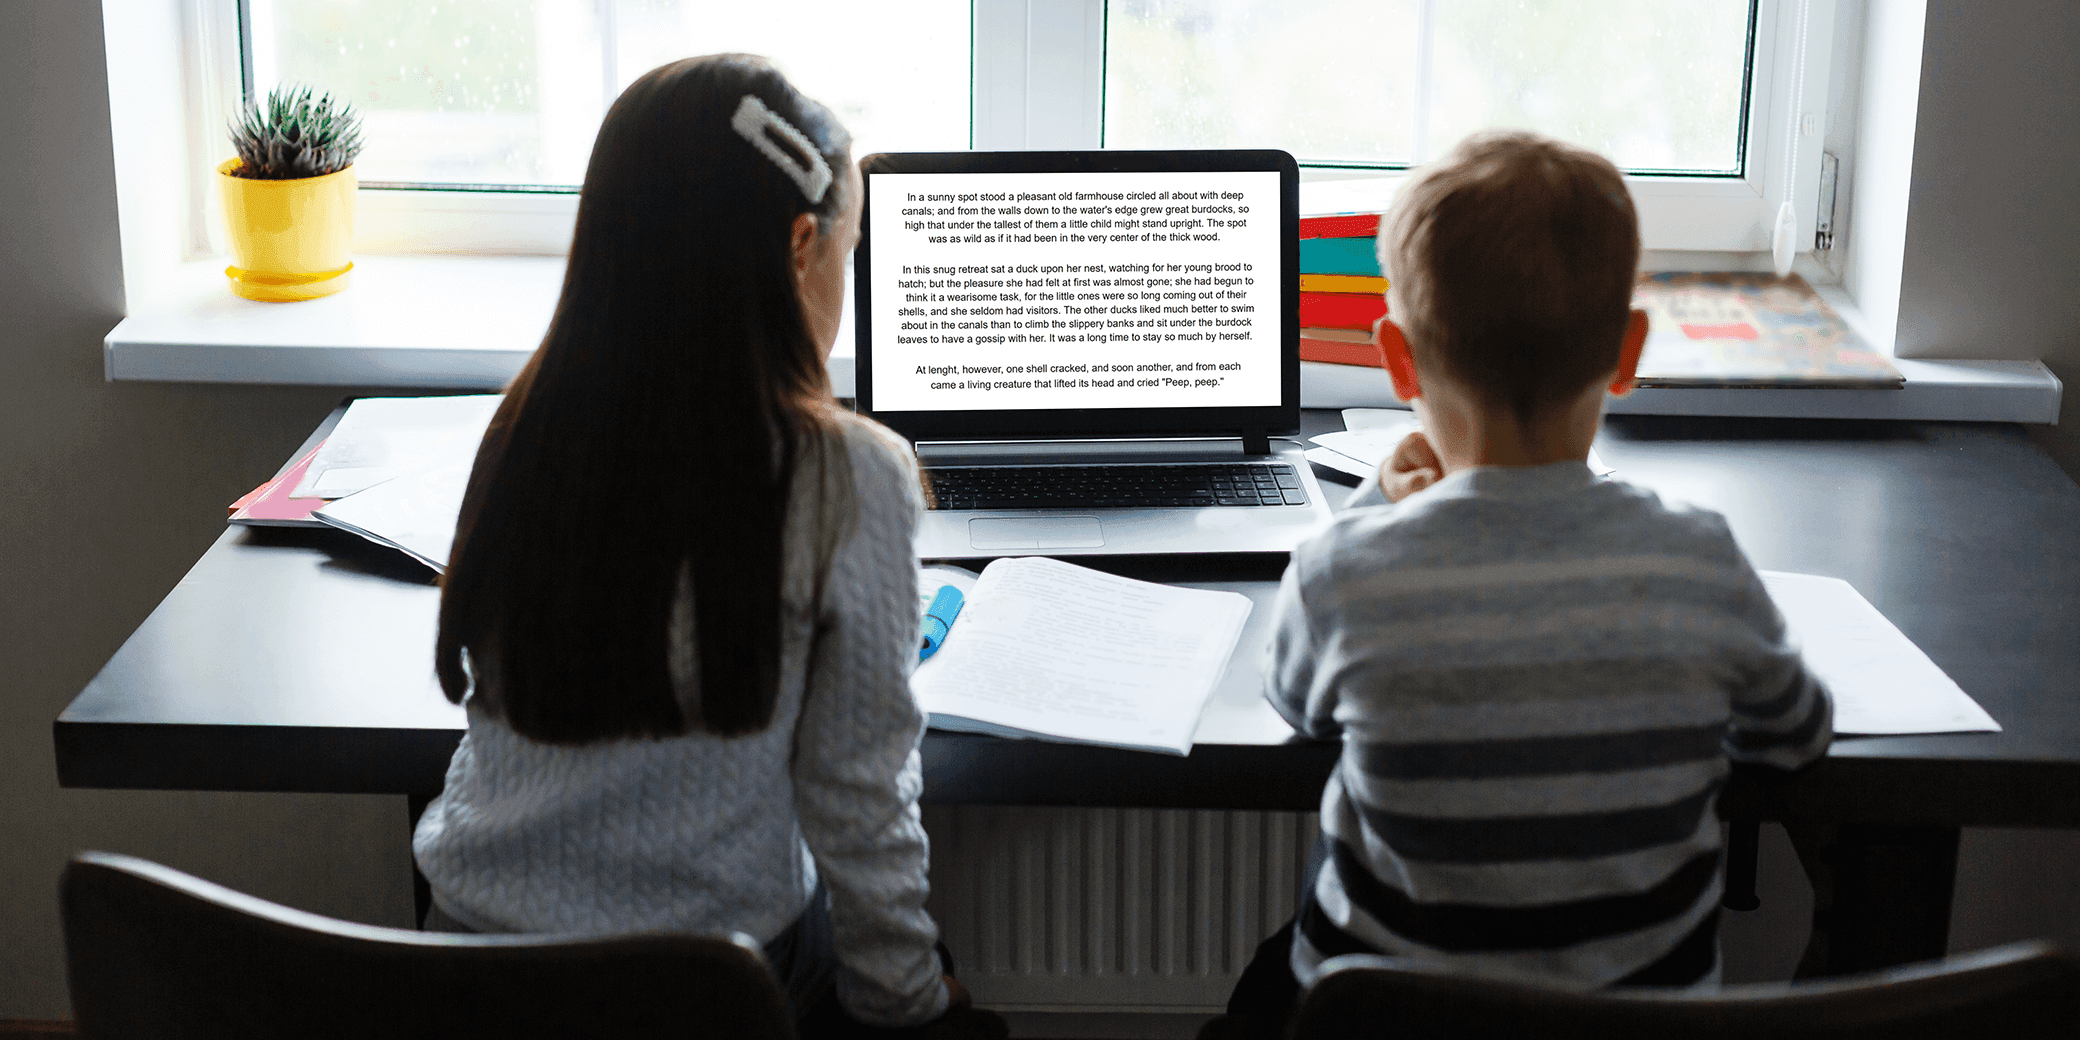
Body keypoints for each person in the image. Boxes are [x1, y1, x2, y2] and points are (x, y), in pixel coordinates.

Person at [410, 54, 1000, 1038]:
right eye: (848, 257)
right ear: (802, 246)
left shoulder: (526, 430)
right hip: (706, 990)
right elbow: (859, 800)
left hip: (463, 968)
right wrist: (913, 1001)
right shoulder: (845, 472)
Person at [1204, 131, 1833, 1039]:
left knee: (1266, 989)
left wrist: (1376, 506)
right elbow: (1796, 731)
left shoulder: (1343, 570)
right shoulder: (1699, 560)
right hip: (1634, 1025)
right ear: (1627, 351)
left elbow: (1295, 707)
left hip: (1392, 1021)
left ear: (1397, 359)